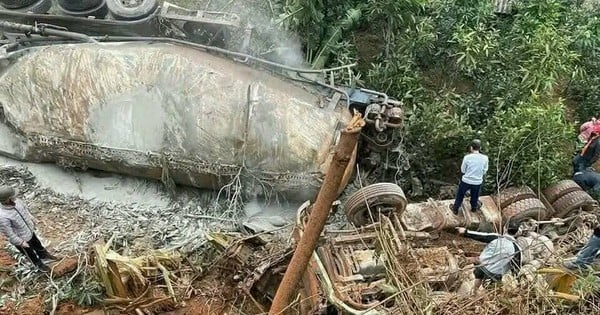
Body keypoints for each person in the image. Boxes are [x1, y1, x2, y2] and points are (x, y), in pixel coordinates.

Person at [0, 186, 57, 272]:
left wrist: (31, 218)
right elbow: (8, 233)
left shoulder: (17, 202)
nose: (15, 197)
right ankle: (38, 264)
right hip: (21, 239)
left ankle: (43, 255)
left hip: (29, 230)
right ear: (7, 200)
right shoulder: (3, 216)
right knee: (30, 253)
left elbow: (25, 210)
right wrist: (20, 242)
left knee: (37, 244)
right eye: (12, 196)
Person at [456, 220, 522, 294]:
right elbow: (517, 269)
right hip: (494, 275)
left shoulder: (496, 237)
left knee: (476, 267)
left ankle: (474, 289)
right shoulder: (517, 249)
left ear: (505, 229)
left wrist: (465, 232)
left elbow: (480, 236)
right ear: (517, 233)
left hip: (481, 267)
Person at [450, 139, 489, 215]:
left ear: (471, 147)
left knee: (460, 194)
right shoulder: (485, 158)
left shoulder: (467, 157)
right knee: (475, 195)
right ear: (480, 148)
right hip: (477, 181)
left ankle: (455, 209)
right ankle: (474, 208)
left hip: (466, 180)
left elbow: (463, 170)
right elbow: (485, 170)